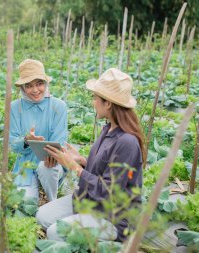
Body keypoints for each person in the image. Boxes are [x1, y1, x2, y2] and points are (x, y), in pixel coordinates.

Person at [36, 68, 146, 243]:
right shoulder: (108, 128)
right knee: (42, 216)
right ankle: (84, 228)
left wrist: (75, 168)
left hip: (113, 217)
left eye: (95, 98)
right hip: (89, 201)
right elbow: (105, 170)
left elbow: (111, 192)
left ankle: (108, 241)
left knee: (55, 232)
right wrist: (82, 160)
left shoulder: (127, 142)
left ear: (108, 104)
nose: (93, 102)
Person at [9, 59, 68, 202]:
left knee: (47, 168)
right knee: (24, 201)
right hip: (25, 164)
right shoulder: (15, 107)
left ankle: (52, 200)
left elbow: (59, 141)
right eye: (28, 86)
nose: (35, 90)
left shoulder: (59, 106)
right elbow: (13, 143)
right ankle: (35, 190)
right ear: (22, 88)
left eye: (39, 84)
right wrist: (26, 140)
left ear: (46, 83)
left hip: (51, 163)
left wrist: (52, 156)